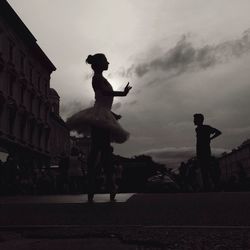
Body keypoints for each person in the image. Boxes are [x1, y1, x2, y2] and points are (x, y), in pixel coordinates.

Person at [66, 53, 132, 202]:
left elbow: (103, 100)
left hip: (103, 114)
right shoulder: (97, 78)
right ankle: (105, 185)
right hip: (100, 115)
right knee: (101, 150)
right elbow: (103, 94)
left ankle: (100, 185)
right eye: (106, 61)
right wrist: (122, 93)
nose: (108, 63)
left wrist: (112, 114)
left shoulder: (101, 78)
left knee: (100, 150)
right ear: (100, 64)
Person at [193, 113, 222, 191]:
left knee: (207, 169)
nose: (194, 121)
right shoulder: (197, 129)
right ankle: (208, 187)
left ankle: (215, 185)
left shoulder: (206, 128)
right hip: (200, 151)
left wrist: (210, 139)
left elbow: (219, 132)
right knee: (204, 170)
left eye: (195, 119)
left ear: (199, 120)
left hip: (205, 151)